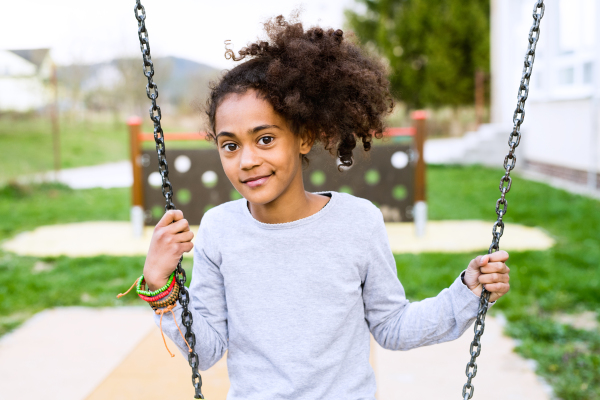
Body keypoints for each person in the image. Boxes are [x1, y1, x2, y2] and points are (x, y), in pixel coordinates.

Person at [142, 16, 510, 400]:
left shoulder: (356, 222)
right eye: (230, 145)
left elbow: (392, 326)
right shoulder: (220, 229)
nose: (247, 160)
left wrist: (466, 291)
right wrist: (161, 287)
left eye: (265, 139)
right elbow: (205, 351)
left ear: (304, 138)